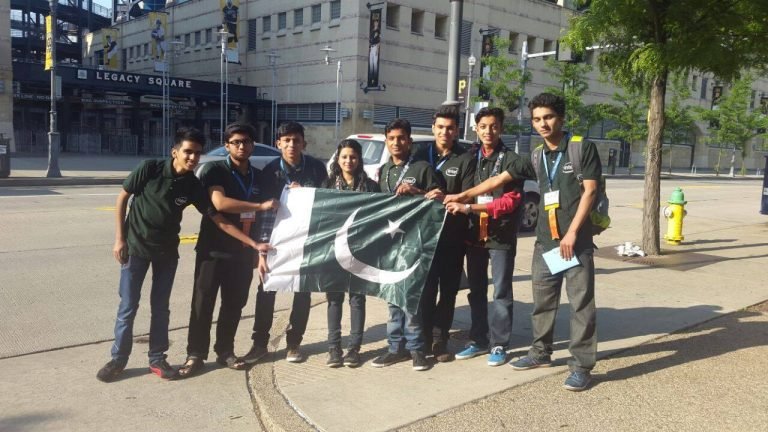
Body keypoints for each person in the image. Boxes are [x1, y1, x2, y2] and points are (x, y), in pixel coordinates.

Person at [96, 127, 267, 383]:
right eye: (188, 152)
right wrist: (119, 239)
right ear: (174, 151)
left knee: (160, 307)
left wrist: (252, 243)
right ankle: (118, 359)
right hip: (136, 249)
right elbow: (123, 199)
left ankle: (157, 358)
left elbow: (217, 218)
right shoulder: (150, 168)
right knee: (128, 307)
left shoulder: (193, 184)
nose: (193, 158)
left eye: (198, 154)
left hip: (166, 254)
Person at [508, 93, 600, 391]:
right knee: (543, 304)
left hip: (575, 243)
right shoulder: (537, 155)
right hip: (546, 243)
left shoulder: (580, 148)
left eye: (548, 117)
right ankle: (539, 353)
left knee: (580, 305)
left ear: (560, 118)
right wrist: (463, 197)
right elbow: (502, 178)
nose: (542, 124)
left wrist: (573, 233)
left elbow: (590, 192)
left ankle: (581, 366)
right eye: (537, 119)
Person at [177, 123, 278, 378]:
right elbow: (219, 203)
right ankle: (195, 354)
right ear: (227, 145)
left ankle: (225, 351)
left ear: (253, 145)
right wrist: (259, 205)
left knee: (234, 305)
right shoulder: (215, 169)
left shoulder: (257, 175)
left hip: (244, 252)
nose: (241, 146)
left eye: (246, 141)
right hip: (213, 252)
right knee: (203, 304)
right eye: (235, 142)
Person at [443, 107, 534, 367]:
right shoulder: (470, 156)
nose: (488, 131)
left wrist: (470, 207)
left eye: (493, 126)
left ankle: (499, 344)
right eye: (483, 126)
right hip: (474, 235)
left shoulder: (513, 160)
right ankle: (478, 339)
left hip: (500, 235)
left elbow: (510, 203)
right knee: (477, 290)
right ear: (476, 128)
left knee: (501, 291)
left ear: (501, 128)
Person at [242, 121, 328, 364]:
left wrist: (303, 195)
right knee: (266, 290)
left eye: (296, 140)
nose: (292, 145)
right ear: (278, 143)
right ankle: (259, 344)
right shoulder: (268, 172)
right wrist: (260, 251)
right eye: (286, 140)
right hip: (274, 243)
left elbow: (326, 203)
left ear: (304, 143)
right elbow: (261, 215)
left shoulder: (316, 169)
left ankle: (294, 343)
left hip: (306, 243)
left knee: (302, 292)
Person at [371, 118, 444, 372]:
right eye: (391, 138)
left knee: (411, 296)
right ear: (386, 141)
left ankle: (416, 349)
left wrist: (416, 192)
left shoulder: (423, 168)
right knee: (392, 296)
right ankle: (394, 348)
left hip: (416, 241)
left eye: (401, 138)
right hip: (391, 242)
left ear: (410, 141)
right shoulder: (382, 171)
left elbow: (439, 202)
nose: (396, 143)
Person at [418, 105, 476, 363]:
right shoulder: (419, 155)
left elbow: (467, 195)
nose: (445, 132)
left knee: (449, 290)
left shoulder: (465, 158)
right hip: (421, 237)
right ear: (433, 128)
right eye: (440, 127)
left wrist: (444, 198)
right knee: (425, 289)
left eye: (450, 128)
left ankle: (440, 339)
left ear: (456, 131)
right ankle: (423, 336)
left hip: (452, 236)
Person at [322, 139, 381, 368]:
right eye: (345, 156)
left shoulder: (370, 186)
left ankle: (354, 349)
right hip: (333, 251)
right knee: (334, 299)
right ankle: (334, 348)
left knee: (357, 299)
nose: (349, 161)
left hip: (360, 251)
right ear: (338, 159)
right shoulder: (327, 184)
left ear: (359, 160)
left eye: (353, 157)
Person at [368, 15, 381, 86]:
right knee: (371, 63)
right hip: (371, 47)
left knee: (375, 64)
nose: (375, 23)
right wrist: (369, 48)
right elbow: (370, 40)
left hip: (375, 47)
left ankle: (374, 79)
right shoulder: (372, 30)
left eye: (376, 22)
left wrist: (377, 49)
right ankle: (370, 78)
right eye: (375, 22)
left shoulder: (378, 31)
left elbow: (379, 41)